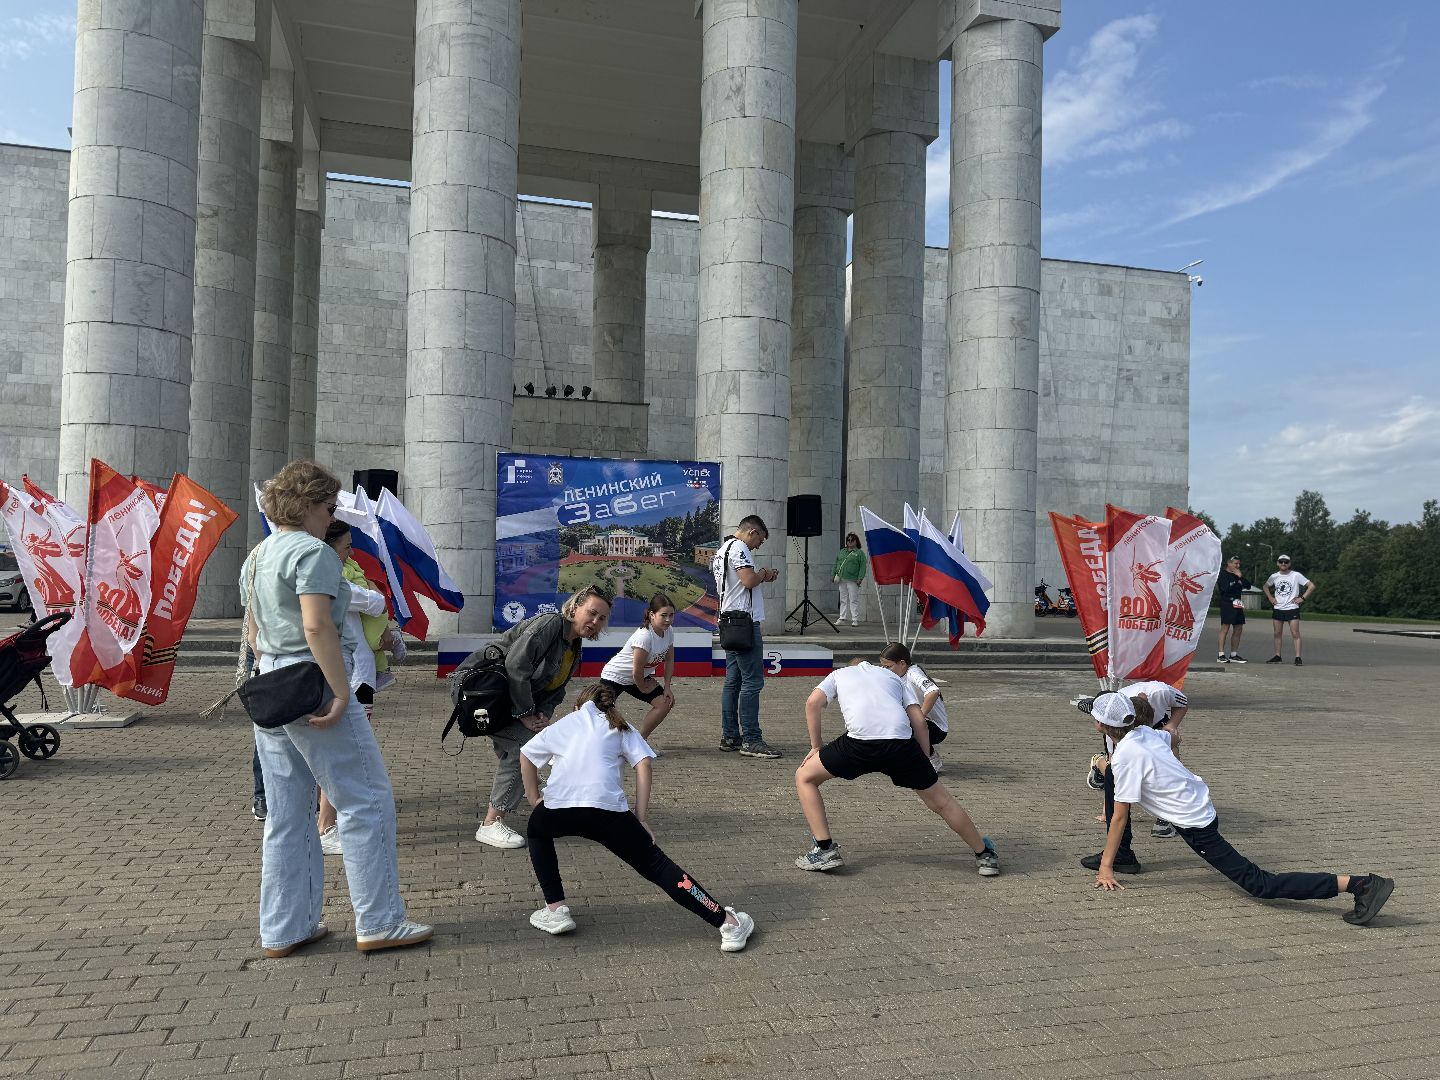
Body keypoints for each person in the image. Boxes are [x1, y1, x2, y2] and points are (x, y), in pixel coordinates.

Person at [243, 460, 431, 957]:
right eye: (328, 508)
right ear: (307, 505)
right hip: (315, 684)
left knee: (287, 814)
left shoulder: (258, 555)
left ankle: (284, 928)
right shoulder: (312, 552)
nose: (332, 518)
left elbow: (253, 634)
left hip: (273, 687)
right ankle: (379, 921)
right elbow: (317, 626)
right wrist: (340, 690)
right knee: (365, 799)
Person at [1083, 692, 1395, 925]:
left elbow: (1121, 816)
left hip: (1195, 823)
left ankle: (1360, 884)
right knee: (1112, 774)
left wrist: (1105, 867)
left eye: (1092, 715)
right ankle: (1123, 856)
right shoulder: (1145, 733)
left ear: (1100, 724)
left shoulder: (1125, 756)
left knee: (1260, 884)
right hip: (1202, 805)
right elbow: (1171, 736)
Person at [519, 683, 756, 952]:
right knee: (657, 866)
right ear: (610, 706)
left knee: (537, 831)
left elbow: (526, 753)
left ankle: (556, 909)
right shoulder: (621, 726)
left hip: (558, 807)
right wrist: (641, 817)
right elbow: (643, 764)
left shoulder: (565, 723)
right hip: (607, 811)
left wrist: (533, 797)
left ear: (578, 705)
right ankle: (728, 923)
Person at [792, 658, 1000, 876]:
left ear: (852, 666)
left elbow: (812, 703)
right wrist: (923, 757)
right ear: (872, 666)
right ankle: (984, 854)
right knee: (942, 802)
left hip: (858, 744)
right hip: (900, 744)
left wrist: (816, 746)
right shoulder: (893, 677)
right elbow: (919, 721)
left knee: (804, 777)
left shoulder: (839, 674)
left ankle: (824, 849)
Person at [469, 585, 613, 849]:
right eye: (591, 613)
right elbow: (515, 666)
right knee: (524, 748)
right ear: (575, 607)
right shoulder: (550, 624)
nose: (594, 622)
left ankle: (539, 795)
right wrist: (525, 715)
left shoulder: (573, 644)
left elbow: (556, 689)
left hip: (505, 701)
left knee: (529, 744)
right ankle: (491, 823)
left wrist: (542, 715)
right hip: (482, 695)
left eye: (601, 618)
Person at [316, 520, 391, 858]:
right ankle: (326, 826)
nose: (352, 552)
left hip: (350, 674)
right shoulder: (331, 577)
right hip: (346, 676)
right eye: (347, 546)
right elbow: (373, 603)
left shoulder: (337, 572)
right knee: (344, 754)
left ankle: (327, 821)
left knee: (336, 754)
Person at [1079, 682, 1191, 871]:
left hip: (1191, 809)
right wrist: (1108, 810)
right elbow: (1113, 776)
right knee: (1114, 770)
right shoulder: (1116, 735)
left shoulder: (1160, 692)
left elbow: (1180, 716)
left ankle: (1165, 816)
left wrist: (1169, 729)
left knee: (1162, 758)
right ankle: (1098, 763)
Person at [710, 515, 782, 759]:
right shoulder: (739, 547)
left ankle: (730, 736)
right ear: (751, 531)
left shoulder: (722, 550)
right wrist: (763, 573)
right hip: (743, 622)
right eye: (760, 539)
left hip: (729, 620)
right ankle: (752, 739)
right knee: (752, 682)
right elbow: (748, 579)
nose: (759, 545)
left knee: (733, 681)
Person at [598, 592, 676, 739]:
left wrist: (667, 687)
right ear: (652, 615)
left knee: (665, 703)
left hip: (637, 677)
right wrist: (643, 688)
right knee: (595, 713)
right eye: (663, 615)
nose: (668, 620)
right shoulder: (644, 636)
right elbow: (637, 670)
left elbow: (670, 660)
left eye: (671, 615)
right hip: (616, 676)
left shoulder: (669, 631)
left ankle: (640, 743)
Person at [876, 642, 949, 774]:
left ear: (902, 664)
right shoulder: (895, 676)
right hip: (919, 723)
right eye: (883, 666)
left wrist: (919, 718)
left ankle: (931, 758)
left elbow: (933, 691)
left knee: (902, 726)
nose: (884, 670)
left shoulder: (913, 673)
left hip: (936, 727)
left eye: (888, 666)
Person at [1265, 555, 1315, 665]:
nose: (1283, 564)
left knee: (1295, 633)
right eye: (1281, 562)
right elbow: (1265, 586)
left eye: (1286, 562)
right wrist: (1270, 598)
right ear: (1277, 563)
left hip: (1292, 608)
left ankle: (1298, 657)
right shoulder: (1274, 576)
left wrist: (1302, 598)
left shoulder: (1296, 575)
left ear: (1289, 564)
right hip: (1278, 608)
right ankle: (1277, 656)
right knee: (1277, 633)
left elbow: (1311, 586)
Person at [1216, 555, 1253, 664]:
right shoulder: (1223, 574)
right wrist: (1237, 583)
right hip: (1227, 602)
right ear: (1229, 563)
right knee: (1225, 628)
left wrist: (1240, 577)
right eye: (1236, 563)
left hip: (1238, 603)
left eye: (1239, 564)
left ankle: (1233, 654)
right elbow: (1225, 588)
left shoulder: (1237, 575)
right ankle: (1221, 655)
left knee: (1238, 628)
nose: (1238, 566)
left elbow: (1248, 586)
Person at [832, 531, 866, 627]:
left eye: (852, 540)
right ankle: (842, 618)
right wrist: (833, 574)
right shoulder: (842, 551)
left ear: (856, 541)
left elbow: (863, 567)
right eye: (848, 540)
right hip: (841, 578)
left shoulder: (860, 553)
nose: (850, 542)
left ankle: (855, 619)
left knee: (853, 599)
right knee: (843, 599)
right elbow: (836, 563)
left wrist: (860, 578)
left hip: (853, 580)